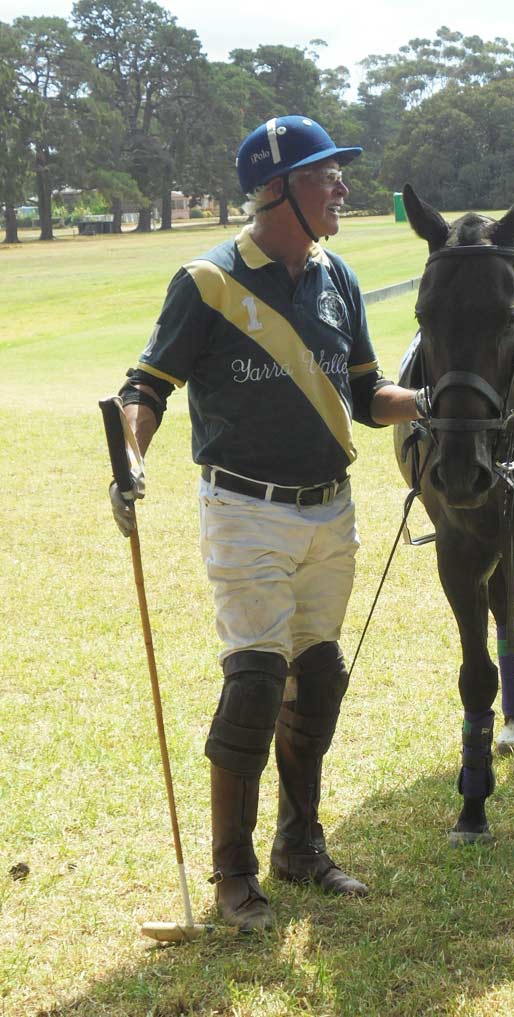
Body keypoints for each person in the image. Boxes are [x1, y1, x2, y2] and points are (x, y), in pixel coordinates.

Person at [109, 115, 426, 932]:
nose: (342, 189)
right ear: (278, 188)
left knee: (317, 675)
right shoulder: (207, 281)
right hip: (244, 508)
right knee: (254, 681)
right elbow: (147, 384)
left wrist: (433, 402)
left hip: (331, 508)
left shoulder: (335, 275)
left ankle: (299, 846)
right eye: (326, 176)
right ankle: (233, 875)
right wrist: (132, 457)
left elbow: (366, 394)